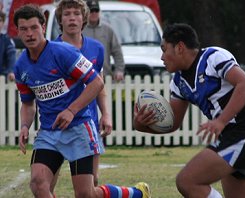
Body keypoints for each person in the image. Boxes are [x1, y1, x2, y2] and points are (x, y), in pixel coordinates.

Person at [14, 4, 150, 198]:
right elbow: (28, 103)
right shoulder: (21, 66)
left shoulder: (63, 52)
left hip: (79, 128)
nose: (29, 34)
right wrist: (25, 125)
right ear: (17, 31)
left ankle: (135, 194)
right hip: (49, 132)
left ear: (43, 28)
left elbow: (97, 82)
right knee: (38, 184)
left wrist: (72, 110)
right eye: (24, 29)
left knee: (86, 193)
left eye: (34, 27)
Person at [134, 23, 245, 198]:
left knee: (187, 181)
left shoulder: (213, 57)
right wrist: (140, 125)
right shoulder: (178, 82)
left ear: (180, 47)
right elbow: (173, 123)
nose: (162, 57)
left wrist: (221, 121)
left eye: (164, 49)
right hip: (238, 135)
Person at [53, 0, 112, 188]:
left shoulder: (96, 49)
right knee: (44, 185)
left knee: (92, 182)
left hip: (88, 123)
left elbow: (99, 85)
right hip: (56, 125)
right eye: (67, 14)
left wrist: (106, 114)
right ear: (60, 20)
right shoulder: (50, 49)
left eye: (77, 14)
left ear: (84, 18)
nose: (72, 18)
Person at [83, 0, 125, 82]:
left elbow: (117, 52)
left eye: (96, 10)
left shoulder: (108, 30)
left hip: (105, 77)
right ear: (86, 12)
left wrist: (119, 70)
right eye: (91, 11)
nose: (94, 13)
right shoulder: (80, 30)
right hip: (84, 77)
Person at [0, 10, 15, 81]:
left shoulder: (6, 40)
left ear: (3, 23)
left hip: (2, 79)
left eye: (0, 20)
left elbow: (11, 57)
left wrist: (11, 71)